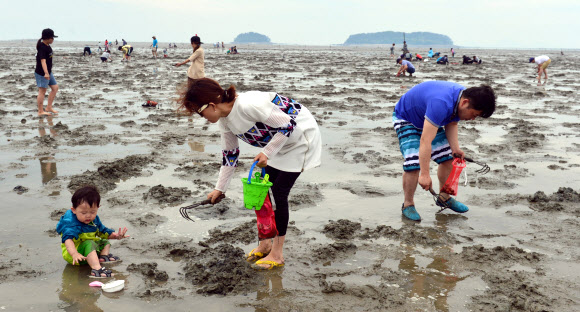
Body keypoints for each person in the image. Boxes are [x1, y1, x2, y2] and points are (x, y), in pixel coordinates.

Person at [177, 78, 322, 269]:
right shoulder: (225, 121)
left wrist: (267, 152)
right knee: (261, 193)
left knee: (278, 194)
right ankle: (265, 244)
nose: (201, 117)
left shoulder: (247, 105)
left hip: (300, 139)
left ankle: (277, 254)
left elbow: (288, 125)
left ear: (211, 105)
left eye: (199, 112)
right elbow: (230, 156)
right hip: (277, 145)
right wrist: (219, 188)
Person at [392, 81, 496, 221]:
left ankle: (444, 198)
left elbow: (452, 122)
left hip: (429, 119)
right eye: (474, 115)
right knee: (414, 164)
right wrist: (425, 174)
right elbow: (425, 141)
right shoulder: (441, 103)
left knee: (449, 159)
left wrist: (455, 149)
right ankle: (408, 204)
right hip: (407, 118)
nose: (472, 119)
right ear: (465, 103)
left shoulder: (462, 99)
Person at [56, 186, 129, 277]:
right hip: (75, 256)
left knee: (105, 242)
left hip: (87, 251)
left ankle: (103, 257)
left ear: (98, 208)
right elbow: (68, 240)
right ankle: (97, 269)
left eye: (92, 212)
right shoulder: (71, 223)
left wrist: (116, 236)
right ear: (74, 210)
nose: (88, 216)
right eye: (84, 213)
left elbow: (103, 232)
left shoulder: (94, 220)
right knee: (89, 243)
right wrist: (74, 254)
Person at [35, 28, 59, 117]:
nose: (53, 39)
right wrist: (46, 73)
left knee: (55, 88)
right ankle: (40, 111)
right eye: (52, 38)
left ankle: (49, 107)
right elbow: (43, 61)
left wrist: (49, 72)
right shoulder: (42, 47)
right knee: (42, 91)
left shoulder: (48, 46)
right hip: (42, 73)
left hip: (49, 72)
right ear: (48, 38)